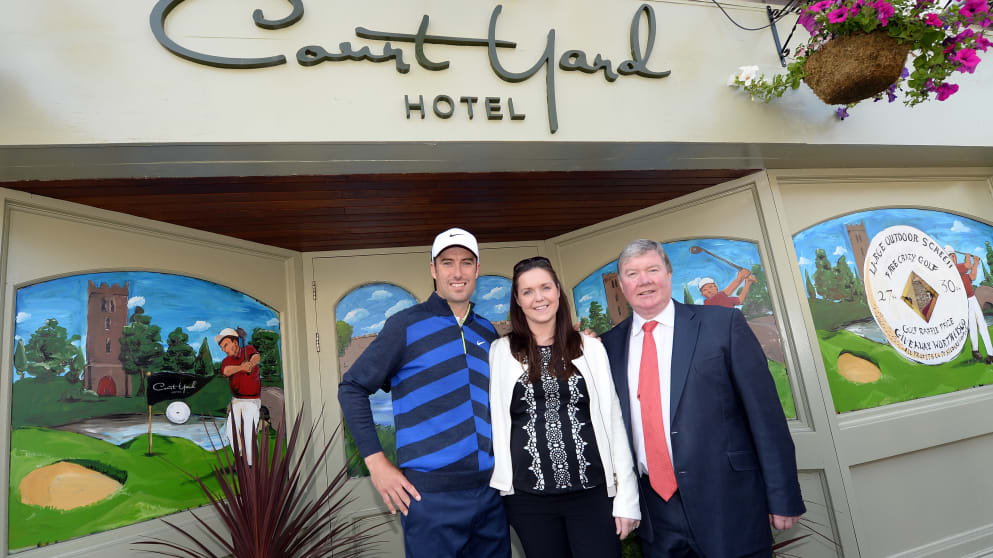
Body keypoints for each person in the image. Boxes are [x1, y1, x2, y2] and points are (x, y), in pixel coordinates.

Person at [600, 239, 804, 558]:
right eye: (632, 273)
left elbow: (766, 417)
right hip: (657, 513)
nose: (644, 280)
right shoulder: (608, 346)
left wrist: (783, 496)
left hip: (729, 503)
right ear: (623, 285)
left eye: (653, 269)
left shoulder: (723, 325)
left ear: (669, 274)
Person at [337, 228, 510, 558]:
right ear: (433, 269)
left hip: (490, 494)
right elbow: (352, 388)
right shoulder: (404, 325)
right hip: (430, 498)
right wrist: (376, 463)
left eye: (466, 263)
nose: (457, 272)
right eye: (447, 263)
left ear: (477, 269)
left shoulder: (486, 331)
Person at [489, 256, 640, 557]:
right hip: (528, 501)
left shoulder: (591, 348)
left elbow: (614, 421)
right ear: (517, 301)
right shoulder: (500, 352)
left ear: (558, 291)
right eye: (528, 291)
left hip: (593, 496)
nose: (539, 298)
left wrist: (627, 498)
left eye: (545, 287)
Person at [216, 327, 262, 465]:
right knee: (231, 432)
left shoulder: (248, 350)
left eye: (225, 345)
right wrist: (242, 367)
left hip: (252, 401)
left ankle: (250, 464)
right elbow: (226, 371)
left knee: (248, 432)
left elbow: (256, 357)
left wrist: (251, 364)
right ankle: (241, 459)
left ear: (235, 342)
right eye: (221, 347)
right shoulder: (226, 361)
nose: (223, 349)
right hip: (236, 401)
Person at [946, 246, 993, 364]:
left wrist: (976, 263)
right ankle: (978, 350)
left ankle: (987, 352)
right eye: (950, 256)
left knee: (979, 324)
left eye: (953, 256)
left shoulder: (960, 270)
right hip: (963, 301)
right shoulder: (953, 269)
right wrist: (968, 257)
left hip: (972, 299)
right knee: (974, 324)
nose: (952, 258)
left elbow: (972, 277)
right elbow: (967, 266)